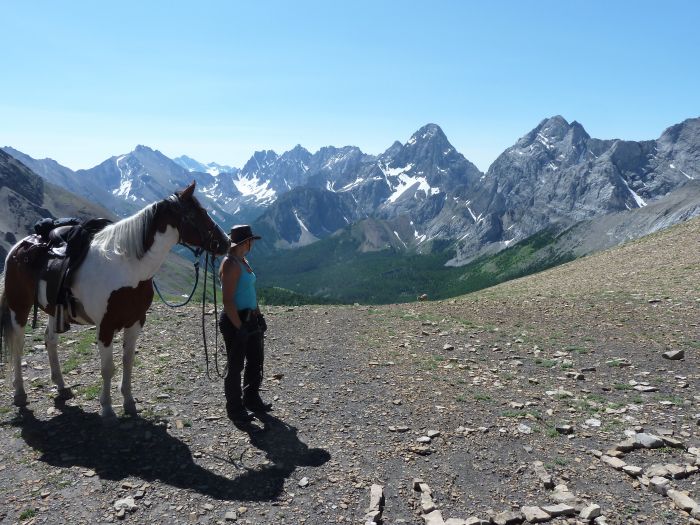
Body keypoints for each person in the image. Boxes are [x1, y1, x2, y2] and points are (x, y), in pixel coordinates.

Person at [219, 225, 271, 423]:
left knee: (255, 360)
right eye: (251, 241)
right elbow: (228, 301)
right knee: (235, 365)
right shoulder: (231, 264)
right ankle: (235, 408)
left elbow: (250, 293)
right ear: (245, 242)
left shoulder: (242, 261)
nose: (252, 244)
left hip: (249, 318)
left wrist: (259, 315)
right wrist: (239, 327)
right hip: (235, 319)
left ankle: (251, 398)